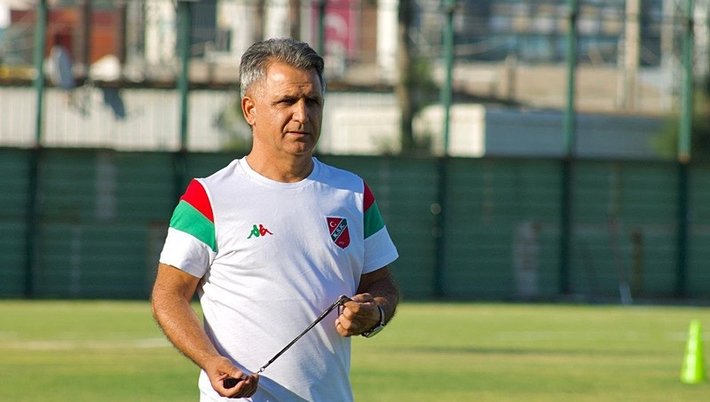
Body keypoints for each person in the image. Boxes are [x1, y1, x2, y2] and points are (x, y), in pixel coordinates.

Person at [151, 37, 400, 401]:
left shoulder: (353, 194)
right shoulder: (208, 197)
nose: (302, 115)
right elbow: (168, 295)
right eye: (287, 101)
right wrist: (211, 361)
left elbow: (382, 283)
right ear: (250, 109)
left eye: (312, 101)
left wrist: (374, 313)